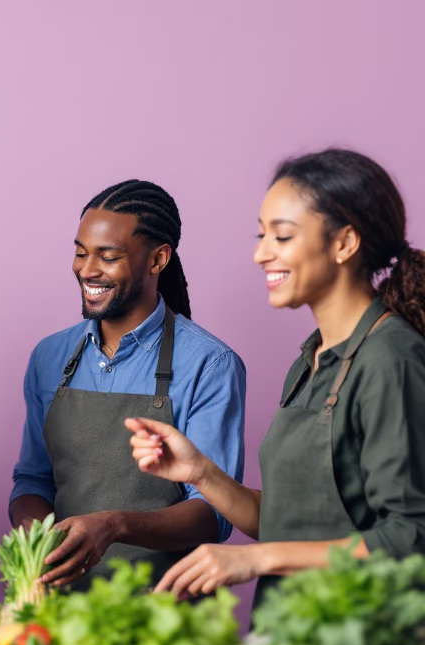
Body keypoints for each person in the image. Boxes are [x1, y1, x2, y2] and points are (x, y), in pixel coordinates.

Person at [129, 150, 425, 604]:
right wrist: (201, 472)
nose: (260, 253)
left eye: (281, 237)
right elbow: (289, 523)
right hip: (291, 639)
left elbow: (411, 540)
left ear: (345, 243)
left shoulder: (391, 358)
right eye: (261, 234)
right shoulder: (312, 359)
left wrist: (259, 560)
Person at [10, 180, 247, 590]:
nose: (87, 269)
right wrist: (37, 546)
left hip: (165, 615)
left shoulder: (210, 363)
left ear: (158, 259)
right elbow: (34, 481)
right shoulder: (49, 358)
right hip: (61, 609)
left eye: (109, 256)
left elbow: (213, 513)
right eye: (81, 252)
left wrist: (114, 525)